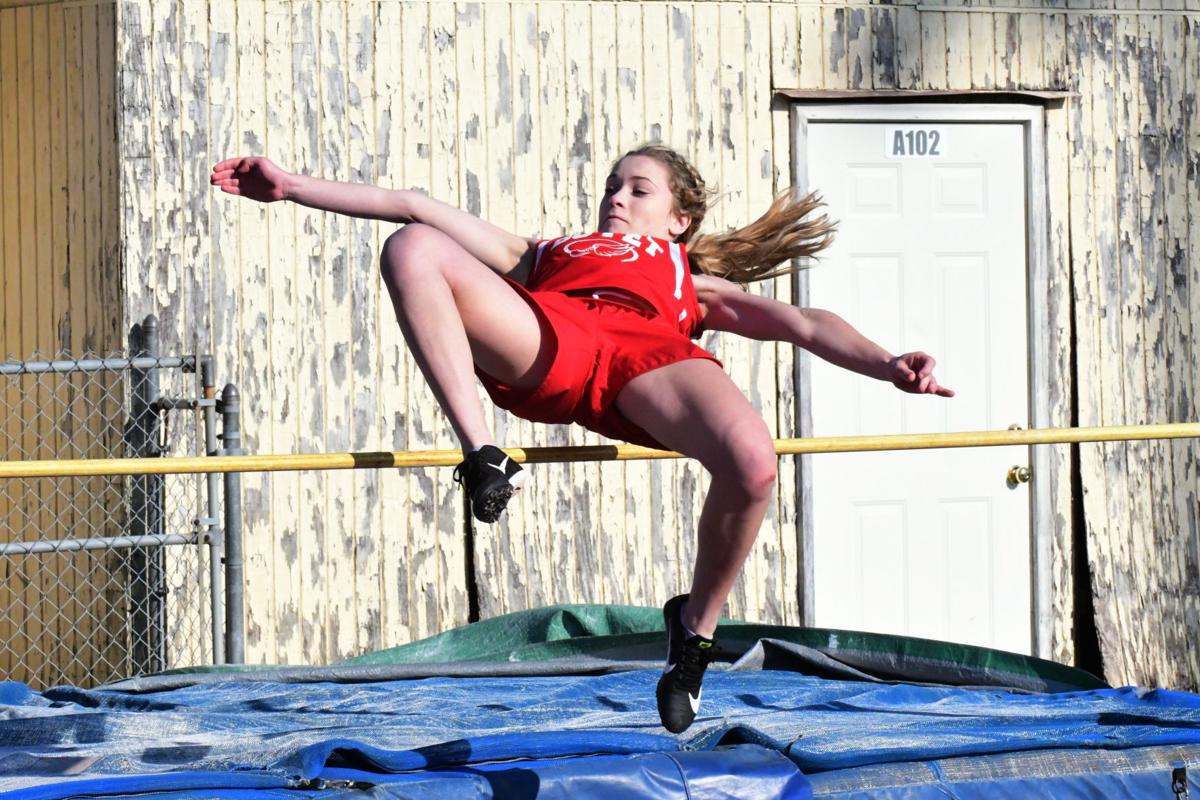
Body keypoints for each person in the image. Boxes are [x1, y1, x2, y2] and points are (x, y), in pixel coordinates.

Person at [211, 143, 953, 733]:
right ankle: (483, 453)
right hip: (555, 340)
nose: (615, 199)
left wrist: (887, 363)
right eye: (611, 185)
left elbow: (802, 323)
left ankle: (693, 632)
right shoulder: (545, 252)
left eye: (638, 189)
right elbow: (412, 204)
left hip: (651, 359)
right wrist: (291, 186)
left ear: (679, 218)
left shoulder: (689, 281)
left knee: (754, 463)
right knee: (413, 245)